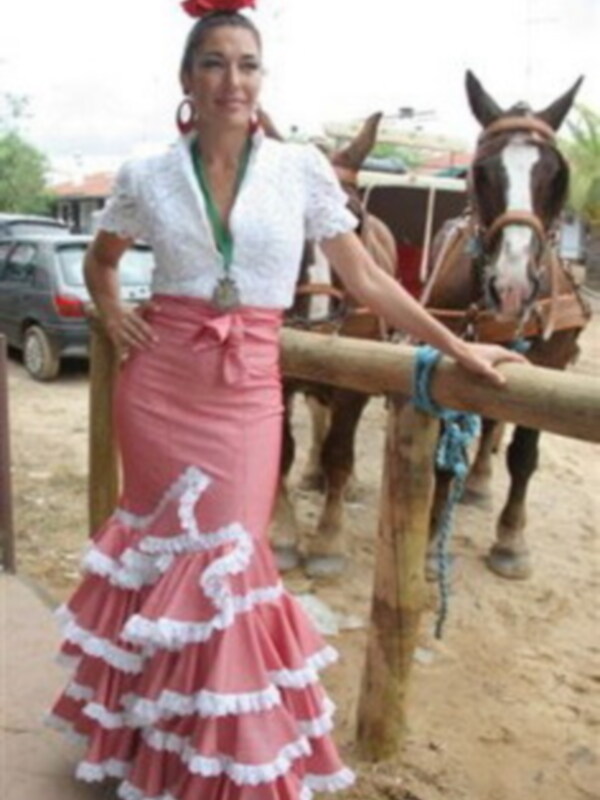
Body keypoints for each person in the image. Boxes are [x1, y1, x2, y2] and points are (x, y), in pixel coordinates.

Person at [46, 3, 525, 799]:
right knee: (161, 565)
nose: (232, 80)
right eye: (215, 63)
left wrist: (460, 348)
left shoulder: (300, 168)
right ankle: (155, 750)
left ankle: (222, 769)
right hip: (160, 384)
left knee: (230, 568)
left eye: (247, 64)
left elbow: (366, 280)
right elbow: (102, 260)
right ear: (186, 81)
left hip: (246, 395)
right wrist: (110, 309)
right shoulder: (146, 175)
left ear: (261, 79)